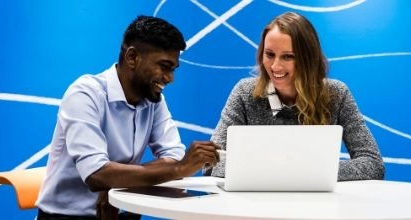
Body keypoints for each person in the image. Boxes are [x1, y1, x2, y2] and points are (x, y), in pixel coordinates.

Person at [36, 15, 220, 220]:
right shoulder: (85, 94)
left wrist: (120, 183)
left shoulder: (154, 99)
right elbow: (97, 174)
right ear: (132, 57)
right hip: (66, 216)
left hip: (122, 211)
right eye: (164, 66)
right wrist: (178, 169)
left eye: (173, 69)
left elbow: (173, 155)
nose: (170, 78)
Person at [205, 12, 384, 180]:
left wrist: (309, 170)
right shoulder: (244, 92)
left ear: (309, 59)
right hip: (257, 208)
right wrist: (283, 170)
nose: (275, 66)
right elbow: (210, 164)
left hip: (317, 209)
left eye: (288, 57)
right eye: (269, 54)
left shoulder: (337, 94)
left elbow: (373, 164)